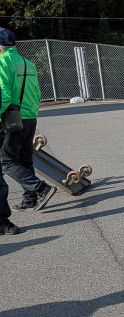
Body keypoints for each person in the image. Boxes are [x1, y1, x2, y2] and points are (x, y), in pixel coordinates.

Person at [0, 28, 56, 226]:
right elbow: (38, 93)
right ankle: (30, 199)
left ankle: (40, 188)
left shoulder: (2, 62)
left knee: (6, 161)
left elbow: (4, 95)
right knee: (25, 159)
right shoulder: (28, 63)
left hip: (12, 118)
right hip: (30, 116)